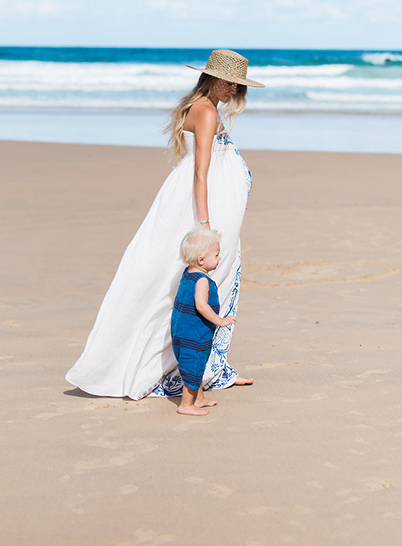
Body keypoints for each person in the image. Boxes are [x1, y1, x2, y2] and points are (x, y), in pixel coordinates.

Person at [65, 48, 264, 400]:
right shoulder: (204, 112)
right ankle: (184, 371)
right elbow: (201, 173)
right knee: (200, 281)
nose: (233, 89)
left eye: (237, 84)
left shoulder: (204, 108)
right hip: (204, 207)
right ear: (212, 78)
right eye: (228, 82)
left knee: (205, 280)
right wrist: (204, 225)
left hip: (204, 203)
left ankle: (211, 368)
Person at [172, 229, 236, 416]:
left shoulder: (188, 274)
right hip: (194, 333)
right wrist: (221, 321)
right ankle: (186, 404)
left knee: (197, 364)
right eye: (216, 255)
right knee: (192, 365)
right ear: (201, 260)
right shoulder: (202, 281)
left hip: (182, 330)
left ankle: (198, 398)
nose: (219, 258)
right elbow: (201, 306)